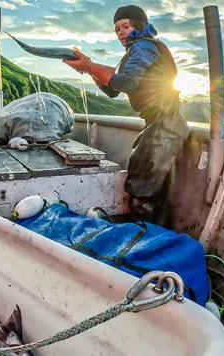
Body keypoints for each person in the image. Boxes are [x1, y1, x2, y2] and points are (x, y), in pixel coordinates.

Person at [62, 5, 189, 227]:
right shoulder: (135, 50)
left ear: (139, 25)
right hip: (156, 124)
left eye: (125, 26)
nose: (120, 32)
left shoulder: (144, 46)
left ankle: (145, 242)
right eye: (117, 29)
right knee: (144, 185)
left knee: (143, 191)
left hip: (165, 124)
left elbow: (127, 83)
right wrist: (89, 68)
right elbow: (112, 90)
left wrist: (90, 66)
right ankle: (148, 238)